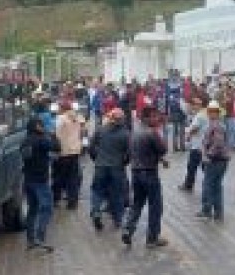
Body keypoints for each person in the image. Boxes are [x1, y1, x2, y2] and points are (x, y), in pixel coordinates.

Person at [122, 106, 170, 248]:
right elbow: (163, 149)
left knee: (137, 203)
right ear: (146, 118)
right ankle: (152, 238)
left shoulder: (134, 133)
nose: (157, 119)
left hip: (136, 172)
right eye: (154, 116)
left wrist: (160, 159)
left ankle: (128, 229)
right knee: (155, 206)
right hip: (149, 173)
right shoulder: (152, 133)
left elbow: (136, 152)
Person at [88, 108, 130, 231]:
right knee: (117, 194)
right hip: (117, 167)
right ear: (121, 120)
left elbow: (91, 147)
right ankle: (117, 219)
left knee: (97, 191)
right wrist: (123, 163)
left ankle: (96, 212)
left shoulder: (100, 130)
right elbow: (129, 153)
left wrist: (96, 159)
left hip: (100, 166)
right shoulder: (125, 134)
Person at [21, 117, 57, 252]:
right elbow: (56, 146)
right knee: (47, 207)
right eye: (41, 125)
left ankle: (30, 239)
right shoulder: (41, 140)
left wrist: (47, 157)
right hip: (40, 180)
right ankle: (39, 237)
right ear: (37, 126)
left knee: (32, 209)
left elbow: (30, 157)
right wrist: (52, 135)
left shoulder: (25, 141)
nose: (43, 126)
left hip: (28, 180)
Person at [196, 101, 230, 222]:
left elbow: (218, 144)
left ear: (217, 113)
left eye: (213, 111)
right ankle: (217, 212)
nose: (211, 113)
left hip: (216, 160)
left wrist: (207, 155)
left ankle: (207, 211)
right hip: (219, 160)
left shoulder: (217, 126)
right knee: (215, 186)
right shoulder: (216, 124)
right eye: (210, 111)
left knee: (209, 185)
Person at [54, 103, 84, 209]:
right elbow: (83, 131)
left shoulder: (60, 118)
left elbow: (56, 133)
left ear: (62, 108)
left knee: (59, 177)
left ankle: (56, 198)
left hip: (63, 151)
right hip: (75, 151)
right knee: (73, 178)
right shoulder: (78, 117)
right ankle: (72, 202)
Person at [178, 98, 208, 192]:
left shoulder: (199, 115)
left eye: (192, 105)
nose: (191, 107)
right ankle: (208, 184)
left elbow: (195, 127)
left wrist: (188, 135)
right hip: (202, 144)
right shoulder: (204, 114)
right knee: (202, 166)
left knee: (192, 166)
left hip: (197, 145)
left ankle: (188, 185)